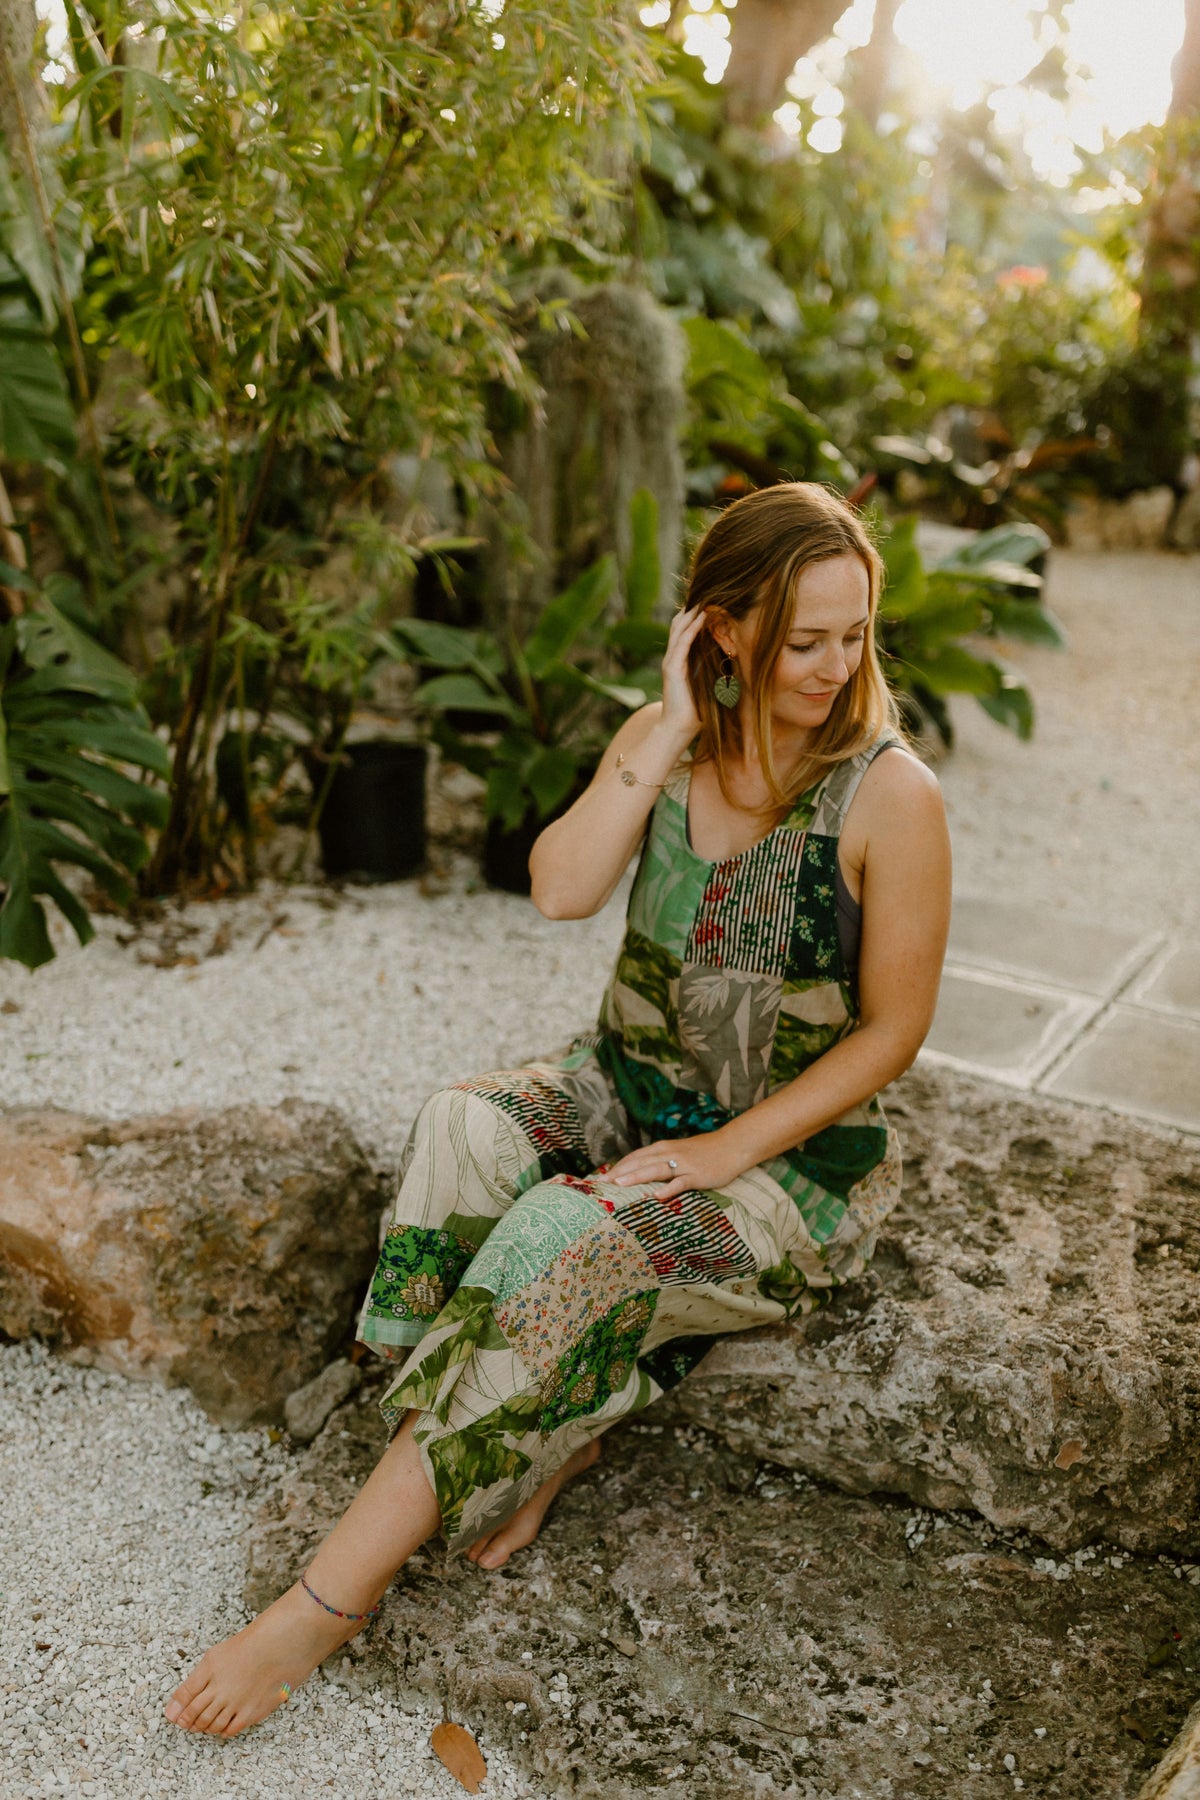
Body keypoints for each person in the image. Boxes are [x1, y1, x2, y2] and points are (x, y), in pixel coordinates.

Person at [165, 480, 951, 1738]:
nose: (834, 665)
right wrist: (671, 721)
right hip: (622, 1090)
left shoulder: (889, 796)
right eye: (803, 638)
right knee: (461, 1132)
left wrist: (718, 1153)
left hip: (784, 1168)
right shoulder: (670, 736)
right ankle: (535, 1438)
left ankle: (324, 1600)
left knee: (561, 1242)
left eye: (853, 635)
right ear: (725, 629)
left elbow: (893, 1032)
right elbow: (557, 887)